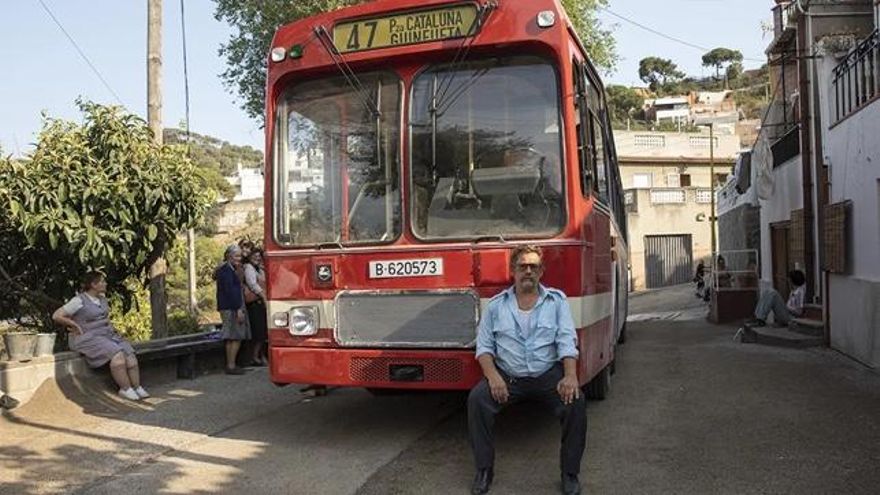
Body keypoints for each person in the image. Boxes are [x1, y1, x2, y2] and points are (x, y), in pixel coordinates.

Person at [468, 245, 585, 495]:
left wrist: (570, 375)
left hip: (547, 376)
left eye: (533, 267)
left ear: (542, 271)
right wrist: (493, 377)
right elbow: (484, 348)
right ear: (513, 271)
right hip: (509, 377)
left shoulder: (556, 301)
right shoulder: (497, 306)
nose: (528, 271)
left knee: (576, 402)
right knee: (477, 400)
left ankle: (570, 473)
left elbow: (566, 340)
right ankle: (484, 470)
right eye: (522, 266)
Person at [52, 272, 149, 401]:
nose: (105, 284)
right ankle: (125, 389)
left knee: (130, 354)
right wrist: (73, 324)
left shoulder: (102, 299)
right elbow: (56, 315)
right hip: (87, 337)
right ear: (93, 285)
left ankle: (137, 387)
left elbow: (105, 319)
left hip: (106, 335)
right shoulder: (79, 300)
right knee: (118, 354)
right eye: (102, 281)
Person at [216, 244, 250, 375]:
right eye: (236, 256)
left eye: (239, 256)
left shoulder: (230, 269)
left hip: (229, 305)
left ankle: (231, 364)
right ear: (229, 256)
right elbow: (231, 291)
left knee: (232, 336)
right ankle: (231, 364)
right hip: (231, 306)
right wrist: (238, 309)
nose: (239, 258)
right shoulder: (226, 271)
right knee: (235, 336)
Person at [243, 247, 268, 366]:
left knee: (263, 331)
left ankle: (260, 355)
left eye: (259, 256)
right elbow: (252, 284)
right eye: (255, 256)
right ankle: (254, 356)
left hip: (261, 302)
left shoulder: (260, 269)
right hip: (255, 302)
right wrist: (263, 295)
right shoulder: (248, 268)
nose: (257, 258)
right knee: (258, 331)